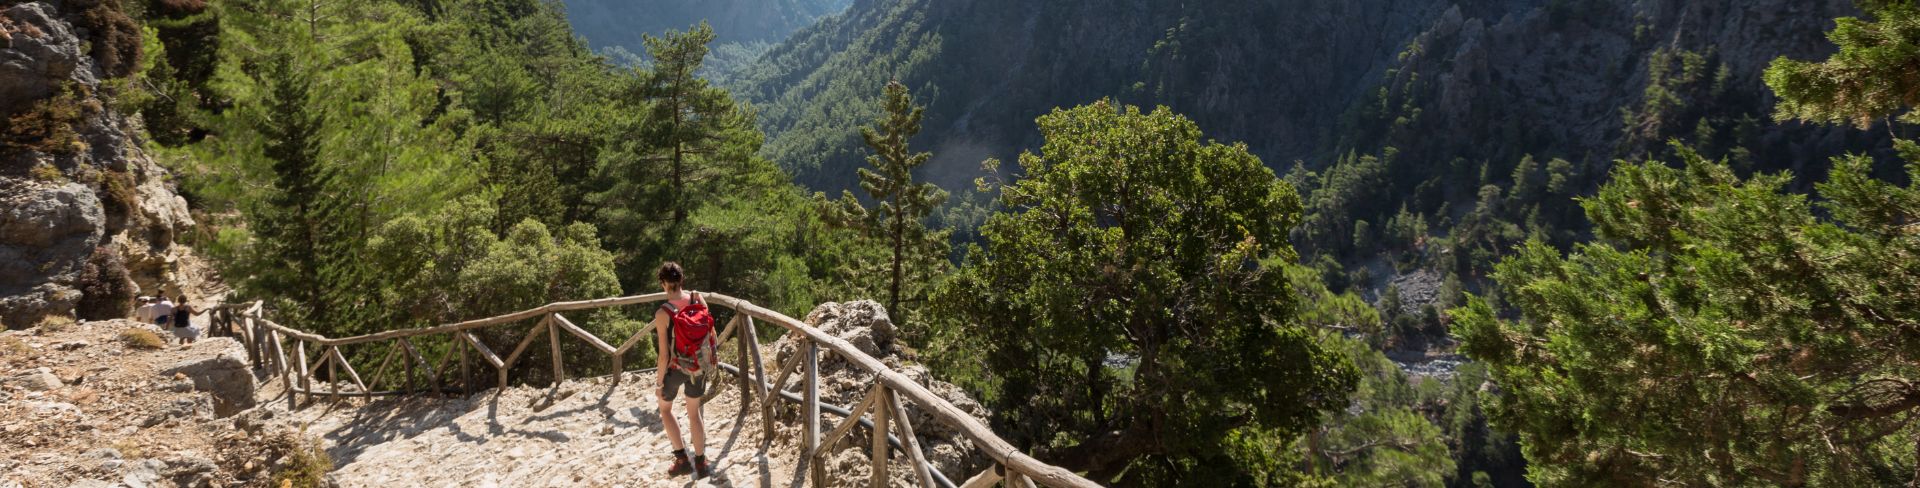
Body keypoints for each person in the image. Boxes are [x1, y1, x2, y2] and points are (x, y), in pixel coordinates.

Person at [654, 262, 713, 479]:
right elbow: (711, 332)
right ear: (682, 280)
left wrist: (659, 383)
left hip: (676, 368)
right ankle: (701, 462)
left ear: (663, 284)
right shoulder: (698, 299)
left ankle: (681, 460)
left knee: (665, 409)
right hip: (699, 366)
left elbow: (663, 355)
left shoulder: (663, 313)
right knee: (694, 413)